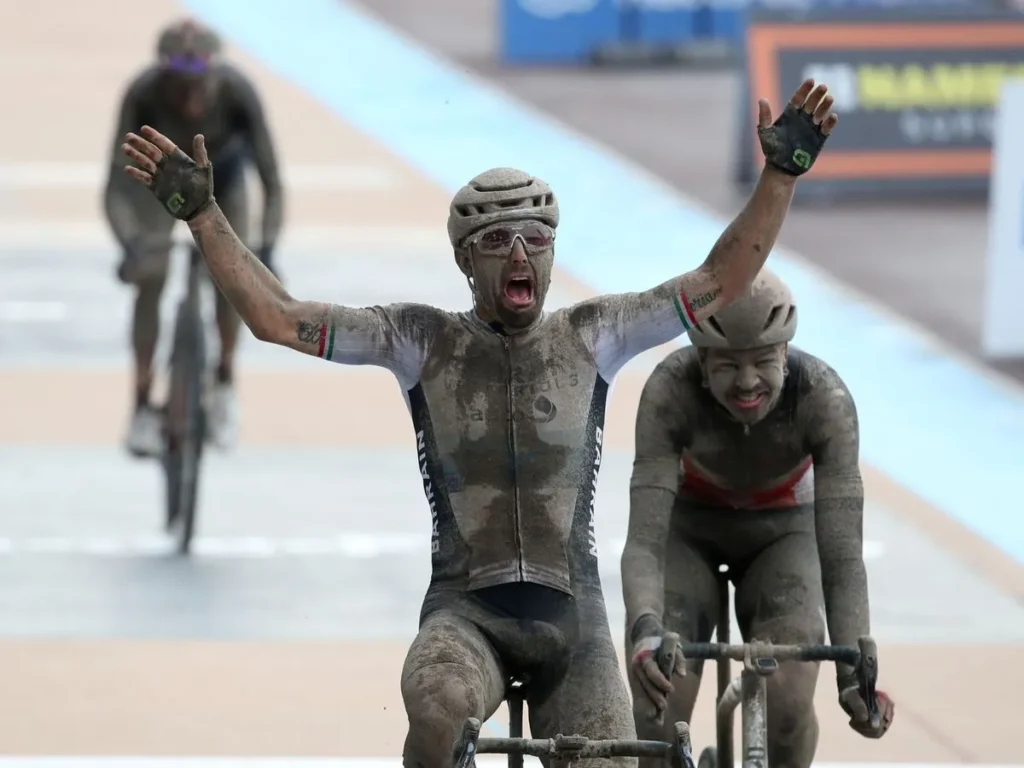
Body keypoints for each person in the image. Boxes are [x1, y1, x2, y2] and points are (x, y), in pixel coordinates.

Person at [118, 77, 838, 768]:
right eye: (498, 242)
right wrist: (205, 217)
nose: (520, 254)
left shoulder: (596, 334)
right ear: (465, 260)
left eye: (535, 238)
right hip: (466, 617)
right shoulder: (419, 339)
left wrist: (780, 177)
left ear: (554, 253)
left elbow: (721, 280)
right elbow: (280, 318)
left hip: (574, 625)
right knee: (436, 714)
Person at [621, 268, 896, 768]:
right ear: (700, 362)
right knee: (659, 707)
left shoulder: (825, 400)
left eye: (764, 362)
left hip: (784, 535)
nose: (747, 383)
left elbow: (840, 557)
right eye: (727, 365)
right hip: (689, 533)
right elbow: (643, 540)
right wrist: (645, 628)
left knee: (787, 702)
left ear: (786, 356)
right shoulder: (668, 390)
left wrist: (854, 672)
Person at [103, 18, 284, 456]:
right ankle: (143, 402)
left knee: (233, 281)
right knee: (152, 274)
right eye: (178, 86)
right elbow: (113, 189)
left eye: (197, 85)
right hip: (161, 180)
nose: (188, 99)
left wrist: (266, 248)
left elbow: (272, 183)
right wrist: (131, 244)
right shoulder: (142, 93)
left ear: (215, 74)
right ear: (162, 75)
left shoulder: (238, 93)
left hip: (225, 179)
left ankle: (223, 377)